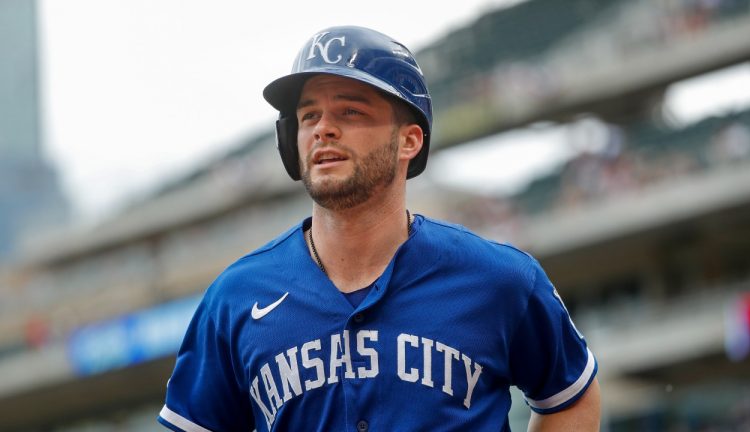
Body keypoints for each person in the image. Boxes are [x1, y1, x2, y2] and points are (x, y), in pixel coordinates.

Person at [158, 25, 600, 431]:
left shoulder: (500, 278)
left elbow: (570, 397)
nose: (323, 129)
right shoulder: (236, 297)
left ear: (409, 140)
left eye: (350, 111)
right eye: (309, 115)